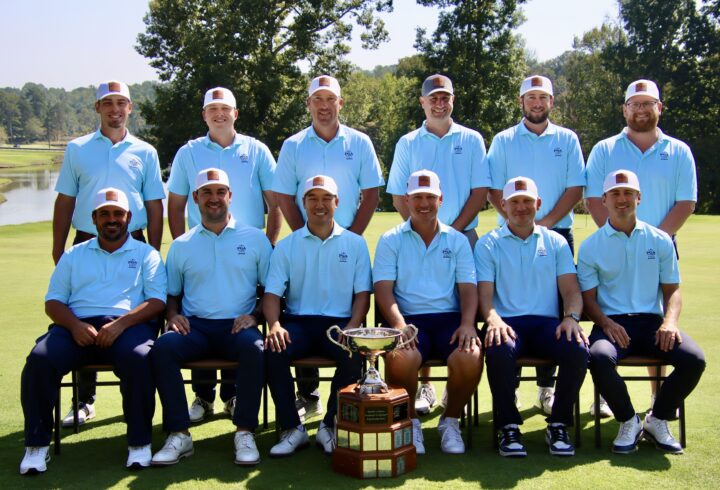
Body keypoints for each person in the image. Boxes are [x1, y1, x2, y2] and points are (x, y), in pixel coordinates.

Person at [20, 188, 167, 474]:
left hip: (128, 325)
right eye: (104, 214)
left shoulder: (146, 253)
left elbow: (157, 300)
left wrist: (121, 324)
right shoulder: (74, 255)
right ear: (94, 218)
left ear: (128, 217)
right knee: (39, 359)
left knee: (139, 358)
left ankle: (139, 443)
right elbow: (53, 301)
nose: (111, 219)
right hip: (77, 325)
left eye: (117, 214)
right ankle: (36, 446)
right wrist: (74, 325)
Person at [51, 80, 166, 427]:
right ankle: (84, 399)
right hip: (87, 236)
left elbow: (154, 204)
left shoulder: (145, 151)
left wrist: (154, 249)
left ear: (130, 108)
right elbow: (66, 200)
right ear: (97, 108)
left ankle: (137, 397)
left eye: (121, 103)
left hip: (134, 237)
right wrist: (58, 246)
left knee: (132, 315)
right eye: (108, 103)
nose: (115, 109)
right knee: (82, 313)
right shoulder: (78, 148)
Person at [166, 87, 282, 424]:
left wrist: (268, 243)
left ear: (236, 113)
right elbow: (175, 204)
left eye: (225, 109)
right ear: (204, 115)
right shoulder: (189, 152)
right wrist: (185, 245)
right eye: (212, 109)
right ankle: (204, 398)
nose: (219, 114)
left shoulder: (256, 150)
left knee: (239, 317)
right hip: (200, 246)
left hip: (247, 248)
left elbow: (274, 202)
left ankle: (232, 397)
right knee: (198, 314)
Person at [272, 74, 384, 417]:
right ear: (309, 104)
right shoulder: (293, 145)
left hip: (346, 237)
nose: (323, 106)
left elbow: (371, 194)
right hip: (307, 235)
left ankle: (331, 422)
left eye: (329, 100)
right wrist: (306, 234)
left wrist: (347, 235)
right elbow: (283, 194)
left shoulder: (360, 142)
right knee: (299, 311)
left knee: (339, 328)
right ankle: (305, 398)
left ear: (340, 103)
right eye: (317, 100)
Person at [585, 79, 698, 417]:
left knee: (660, 320)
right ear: (625, 109)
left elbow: (686, 201)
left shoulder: (678, 151)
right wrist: (620, 235)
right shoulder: (605, 149)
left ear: (659, 108)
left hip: (661, 241)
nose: (641, 109)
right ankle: (606, 394)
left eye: (648, 103)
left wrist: (649, 237)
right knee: (611, 312)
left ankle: (657, 396)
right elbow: (594, 198)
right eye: (635, 104)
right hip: (611, 241)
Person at [578, 169, 705, 454]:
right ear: (604, 200)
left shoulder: (660, 240)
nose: (622, 199)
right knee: (598, 357)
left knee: (694, 360)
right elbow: (588, 299)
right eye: (615, 194)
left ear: (639, 197)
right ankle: (628, 421)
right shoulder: (591, 246)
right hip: (610, 323)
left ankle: (657, 419)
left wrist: (670, 322)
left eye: (628, 194)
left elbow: (672, 290)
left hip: (652, 324)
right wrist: (605, 323)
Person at [151, 169, 272, 466]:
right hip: (197, 328)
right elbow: (173, 294)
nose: (214, 199)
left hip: (237, 325)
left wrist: (256, 316)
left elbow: (270, 290)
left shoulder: (255, 239)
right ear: (195, 198)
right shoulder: (182, 244)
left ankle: (244, 431)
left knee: (256, 349)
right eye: (206, 193)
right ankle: (179, 433)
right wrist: (173, 315)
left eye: (220, 192)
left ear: (230, 196)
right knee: (163, 348)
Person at [386, 73, 491, 415]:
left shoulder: (472, 139)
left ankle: (454, 393)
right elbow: (400, 195)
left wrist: (450, 230)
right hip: (417, 233)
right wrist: (421, 227)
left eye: (445, 97)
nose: (439, 102)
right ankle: (425, 387)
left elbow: (480, 192)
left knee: (463, 308)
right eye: (433, 97)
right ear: (423, 102)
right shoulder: (408, 142)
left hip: (463, 235)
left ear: (452, 100)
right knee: (418, 294)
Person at [487, 75, 586, 416]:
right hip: (510, 236)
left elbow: (575, 189)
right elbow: (493, 190)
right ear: (522, 102)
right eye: (531, 97)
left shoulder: (568, 139)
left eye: (543, 97)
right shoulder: (503, 140)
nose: (537, 103)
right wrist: (522, 222)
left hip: (557, 234)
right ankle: (509, 390)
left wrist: (541, 225)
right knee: (510, 307)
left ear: (551, 102)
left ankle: (548, 388)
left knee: (556, 313)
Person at [477, 176, 587, 457]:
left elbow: (572, 290)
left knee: (576, 348)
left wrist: (571, 318)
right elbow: (484, 297)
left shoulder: (556, 242)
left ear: (538, 204)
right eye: (514, 201)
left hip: (546, 324)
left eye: (527, 201)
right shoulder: (488, 244)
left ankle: (559, 423)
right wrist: (492, 319)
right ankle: (509, 426)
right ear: (503, 205)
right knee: (498, 348)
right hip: (507, 323)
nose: (521, 207)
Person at [374, 170, 481, 455]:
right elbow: (384, 290)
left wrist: (469, 324)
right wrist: (398, 324)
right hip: (407, 319)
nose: (424, 203)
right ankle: (411, 422)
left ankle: (451, 420)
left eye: (430, 197)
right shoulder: (390, 239)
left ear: (441, 199)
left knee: (470, 356)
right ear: (407, 200)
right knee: (402, 356)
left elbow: (469, 288)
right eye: (418, 197)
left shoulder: (457, 240)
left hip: (449, 319)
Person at [263, 175, 371, 456]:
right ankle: (292, 428)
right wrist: (274, 325)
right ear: (303, 203)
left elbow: (362, 295)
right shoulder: (287, 245)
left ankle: (328, 425)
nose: (319, 205)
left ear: (337, 203)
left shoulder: (355, 244)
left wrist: (353, 328)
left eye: (326, 198)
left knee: (352, 355)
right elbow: (272, 294)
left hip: (338, 325)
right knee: (274, 351)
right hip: (297, 322)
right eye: (313, 198)